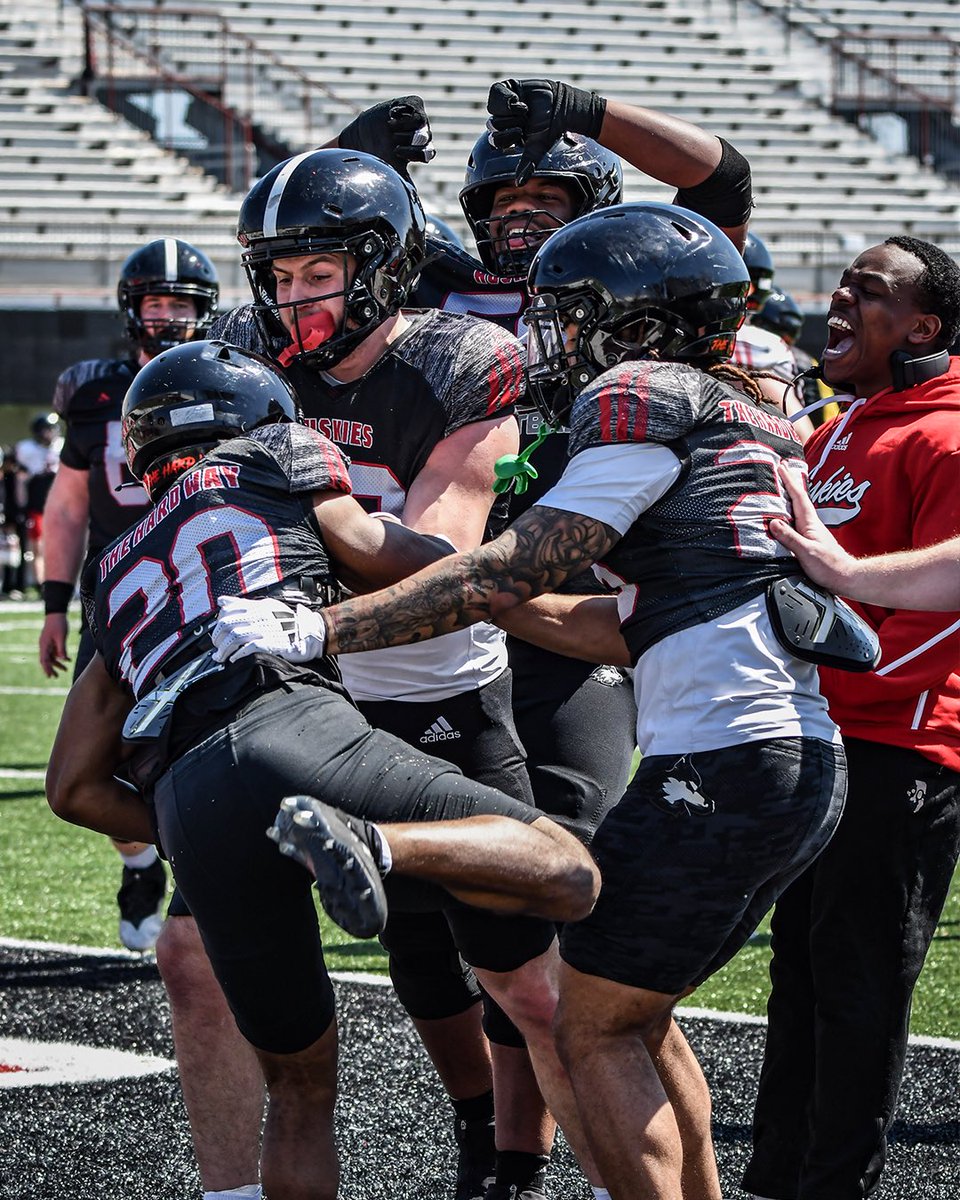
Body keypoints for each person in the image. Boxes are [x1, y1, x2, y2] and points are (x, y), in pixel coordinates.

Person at [212, 202, 856, 1200]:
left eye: (564, 315)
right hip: (789, 755)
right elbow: (612, 625)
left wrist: (323, 630)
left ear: (638, 327)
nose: (544, 337)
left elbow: (507, 568)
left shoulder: (644, 393)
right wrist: (495, 605)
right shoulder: (746, 413)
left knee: (591, 1017)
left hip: (722, 760)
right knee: (626, 1008)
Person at [46, 336, 600, 1200]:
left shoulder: (116, 567)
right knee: (565, 870)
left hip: (188, 795)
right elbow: (388, 556)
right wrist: (504, 588)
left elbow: (72, 787)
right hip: (290, 720)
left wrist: (195, 831)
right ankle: (372, 843)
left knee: (298, 1091)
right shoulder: (273, 453)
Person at [336, 81, 754, 1199]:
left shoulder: (632, 283)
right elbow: (325, 269)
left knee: (548, 915)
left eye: (546, 188)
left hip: (566, 624)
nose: (521, 212)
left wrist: (591, 109)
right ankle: (493, 1147)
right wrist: (345, 156)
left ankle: (549, 1158)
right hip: (435, 627)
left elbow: (720, 185)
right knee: (423, 939)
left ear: (596, 197)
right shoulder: (434, 292)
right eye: (503, 193)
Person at [739, 235, 960, 1200]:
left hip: (900, 745)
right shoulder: (835, 427)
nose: (839, 301)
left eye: (867, 292)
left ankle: (835, 1185)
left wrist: (845, 683)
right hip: (814, 739)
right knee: (800, 973)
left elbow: (936, 610)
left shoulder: (948, 434)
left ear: (925, 327)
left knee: (861, 983)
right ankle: (775, 1175)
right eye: (840, 283)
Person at [38, 236, 220, 952]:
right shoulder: (94, 394)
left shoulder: (228, 375)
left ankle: (197, 870)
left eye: (183, 304)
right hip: (117, 602)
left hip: (206, 594)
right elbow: (67, 508)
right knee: (99, 760)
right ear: (131, 310)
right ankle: (140, 859)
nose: (170, 317)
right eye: (157, 302)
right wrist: (53, 602)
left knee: (208, 746)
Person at [771, 460, 960, 611]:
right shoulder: (833, 430)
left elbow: (942, 629)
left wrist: (845, 573)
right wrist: (845, 573)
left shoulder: (945, 446)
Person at [11, 411, 62, 596]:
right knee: (38, 548)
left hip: (60, 507)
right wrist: (21, 506)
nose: (50, 434)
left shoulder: (62, 446)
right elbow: (20, 481)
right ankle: (43, 585)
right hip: (37, 506)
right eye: (46, 430)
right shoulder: (27, 450)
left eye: (51, 429)